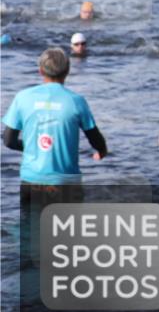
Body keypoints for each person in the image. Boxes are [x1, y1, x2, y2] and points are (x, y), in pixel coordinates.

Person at [2, 48, 108, 204]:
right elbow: (94, 138)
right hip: (66, 182)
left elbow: (8, 141)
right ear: (67, 70)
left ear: (40, 71)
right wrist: (102, 150)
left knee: (31, 227)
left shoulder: (22, 98)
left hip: (32, 181)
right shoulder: (76, 101)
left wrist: (33, 147)